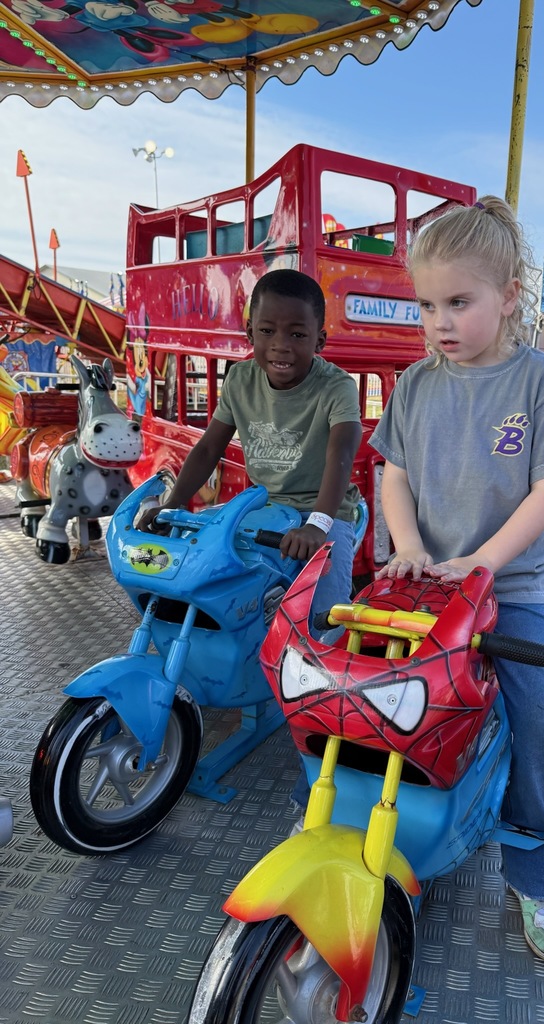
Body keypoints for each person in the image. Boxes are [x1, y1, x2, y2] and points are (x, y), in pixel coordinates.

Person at [370, 196, 544, 964]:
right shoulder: (417, 385)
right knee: (353, 688)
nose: (439, 322)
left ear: (509, 299)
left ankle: (538, 869)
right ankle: (345, 816)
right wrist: (407, 544)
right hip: (423, 584)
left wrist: (484, 562)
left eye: (458, 302)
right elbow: (393, 475)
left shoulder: (540, 384)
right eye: (427, 304)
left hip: (506, 591)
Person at [138, 268, 363, 808]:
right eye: (267, 331)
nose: (280, 346)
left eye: (296, 334)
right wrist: (172, 505)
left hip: (324, 517)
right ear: (250, 332)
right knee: (202, 581)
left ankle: (334, 749)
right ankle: (240, 678)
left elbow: (340, 456)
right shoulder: (240, 381)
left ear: (319, 340)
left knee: (323, 627)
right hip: (266, 515)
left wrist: (319, 526)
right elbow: (208, 449)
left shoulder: (336, 387)